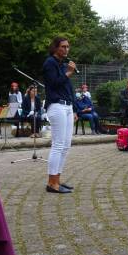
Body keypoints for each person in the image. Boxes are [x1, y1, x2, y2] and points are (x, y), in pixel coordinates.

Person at [43, 36, 76, 194]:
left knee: (66, 145)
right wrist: (68, 73)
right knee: (58, 145)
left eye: (68, 47)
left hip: (68, 107)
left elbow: (68, 89)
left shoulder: (63, 65)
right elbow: (54, 83)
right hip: (56, 106)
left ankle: (57, 179)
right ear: (55, 47)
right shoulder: (49, 63)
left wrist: (74, 108)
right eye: (63, 46)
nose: (66, 49)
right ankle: (51, 183)